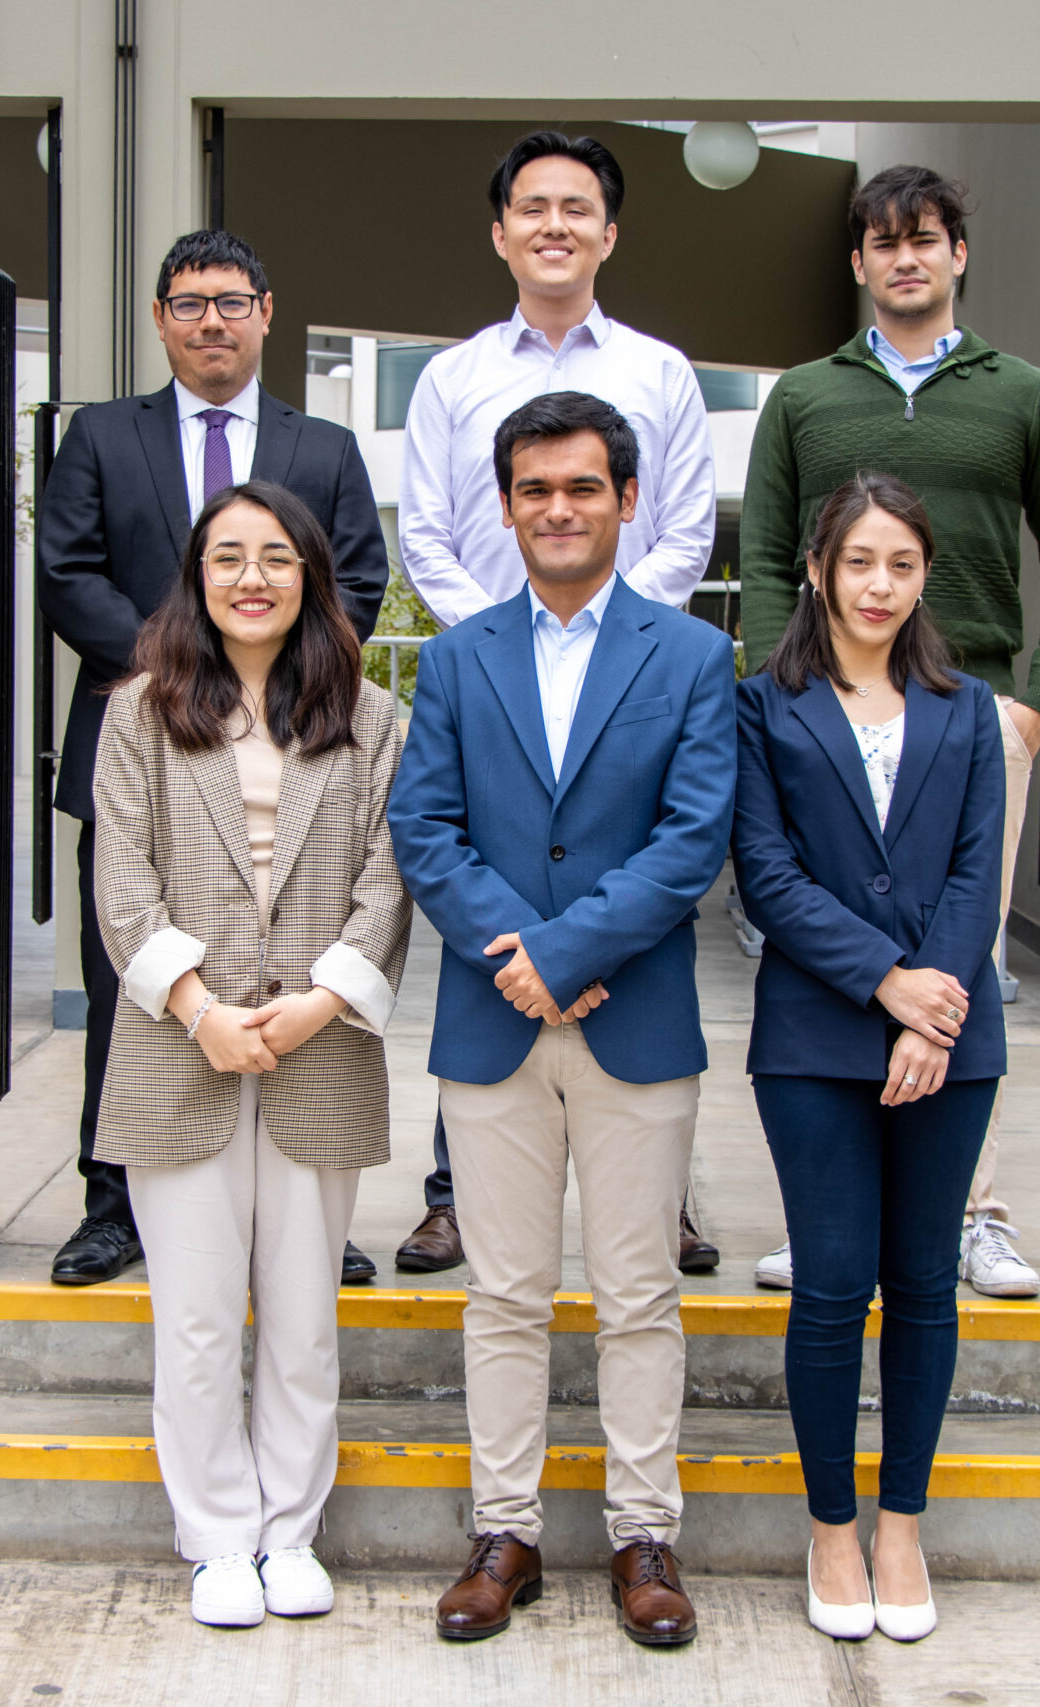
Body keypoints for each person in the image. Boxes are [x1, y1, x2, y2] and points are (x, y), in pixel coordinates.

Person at [389, 392, 736, 1648]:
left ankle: (644, 1535)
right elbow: (425, 830)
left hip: (632, 1022)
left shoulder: (690, 656)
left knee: (638, 1294)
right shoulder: (456, 658)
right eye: (533, 489)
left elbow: (693, 836)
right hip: (494, 1027)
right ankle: (506, 1533)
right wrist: (522, 961)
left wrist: (568, 952)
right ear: (504, 505)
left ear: (627, 499)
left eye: (582, 486)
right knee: (503, 1297)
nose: (558, 509)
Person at [738, 164, 1040, 1301]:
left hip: (971, 719)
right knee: (824, 941)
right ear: (858, 262)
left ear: (957, 255)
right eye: (885, 241)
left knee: (961, 955)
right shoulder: (803, 397)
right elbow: (765, 559)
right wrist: (777, 700)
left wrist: (1034, 702)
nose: (906, 257)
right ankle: (827, 1211)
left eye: (926, 238)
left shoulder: (1024, 395)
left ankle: (971, 1214)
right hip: (820, 720)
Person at [391, 127, 722, 1279]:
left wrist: (617, 639)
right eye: (531, 207)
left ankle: (661, 1197)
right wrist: (502, 638)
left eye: (576, 208)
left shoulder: (661, 374)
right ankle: (455, 1194)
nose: (553, 226)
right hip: (489, 685)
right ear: (499, 234)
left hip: (630, 683)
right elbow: (425, 530)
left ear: (609, 233)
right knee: (489, 914)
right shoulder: (451, 378)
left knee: (633, 902)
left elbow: (684, 528)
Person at [37, 228, 389, 1286]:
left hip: (298, 747)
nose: (212, 322)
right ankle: (114, 1203)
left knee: (299, 960)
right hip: (146, 747)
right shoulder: (102, 436)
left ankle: (304, 1202)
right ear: (160, 320)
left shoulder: (325, 448)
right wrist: (184, 665)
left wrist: (274, 675)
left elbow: (356, 581)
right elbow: (66, 574)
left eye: (232, 302)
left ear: (266, 313)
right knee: (130, 978)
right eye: (189, 304)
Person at [89, 481, 411, 1627]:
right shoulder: (140, 712)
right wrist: (198, 1009)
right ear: (197, 576)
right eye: (226, 557)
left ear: (310, 575)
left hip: (320, 1050)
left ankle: (290, 1530)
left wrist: (321, 1004)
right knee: (194, 1319)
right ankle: (219, 1536)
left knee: (303, 1316)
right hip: (179, 1051)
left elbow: (388, 881)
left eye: (275, 556)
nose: (251, 578)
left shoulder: (373, 718)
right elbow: (121, 882)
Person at [733, 472, 1007, 1643]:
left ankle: (902, 1524)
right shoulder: (763, 706)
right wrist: (884, 982)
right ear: (816, 571)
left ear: (924, 575)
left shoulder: (967, 708)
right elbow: (765, 872)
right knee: (834, 1284)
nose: (878, 585)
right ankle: (832, 1529)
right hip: (813, 1036)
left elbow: (976, 871)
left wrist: (928, 1013)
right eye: (858, 562)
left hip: (951, 1040)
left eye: (900, 564)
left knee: (926, 1284)